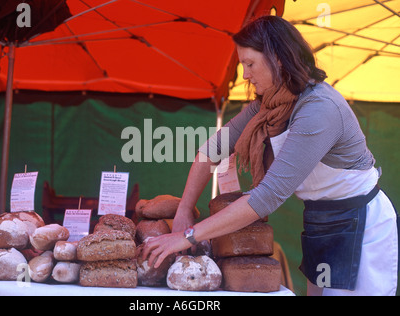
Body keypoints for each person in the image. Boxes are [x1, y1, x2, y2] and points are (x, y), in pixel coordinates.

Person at [140, 16, 398, 296]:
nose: (245, 76)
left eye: (250, 64)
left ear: (278, 59)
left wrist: (187, 236)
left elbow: (267, 196)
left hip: (359, 224)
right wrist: (183, 211)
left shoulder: (319, 109)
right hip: (319, 220)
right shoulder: (269, 105)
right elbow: (211, 151)